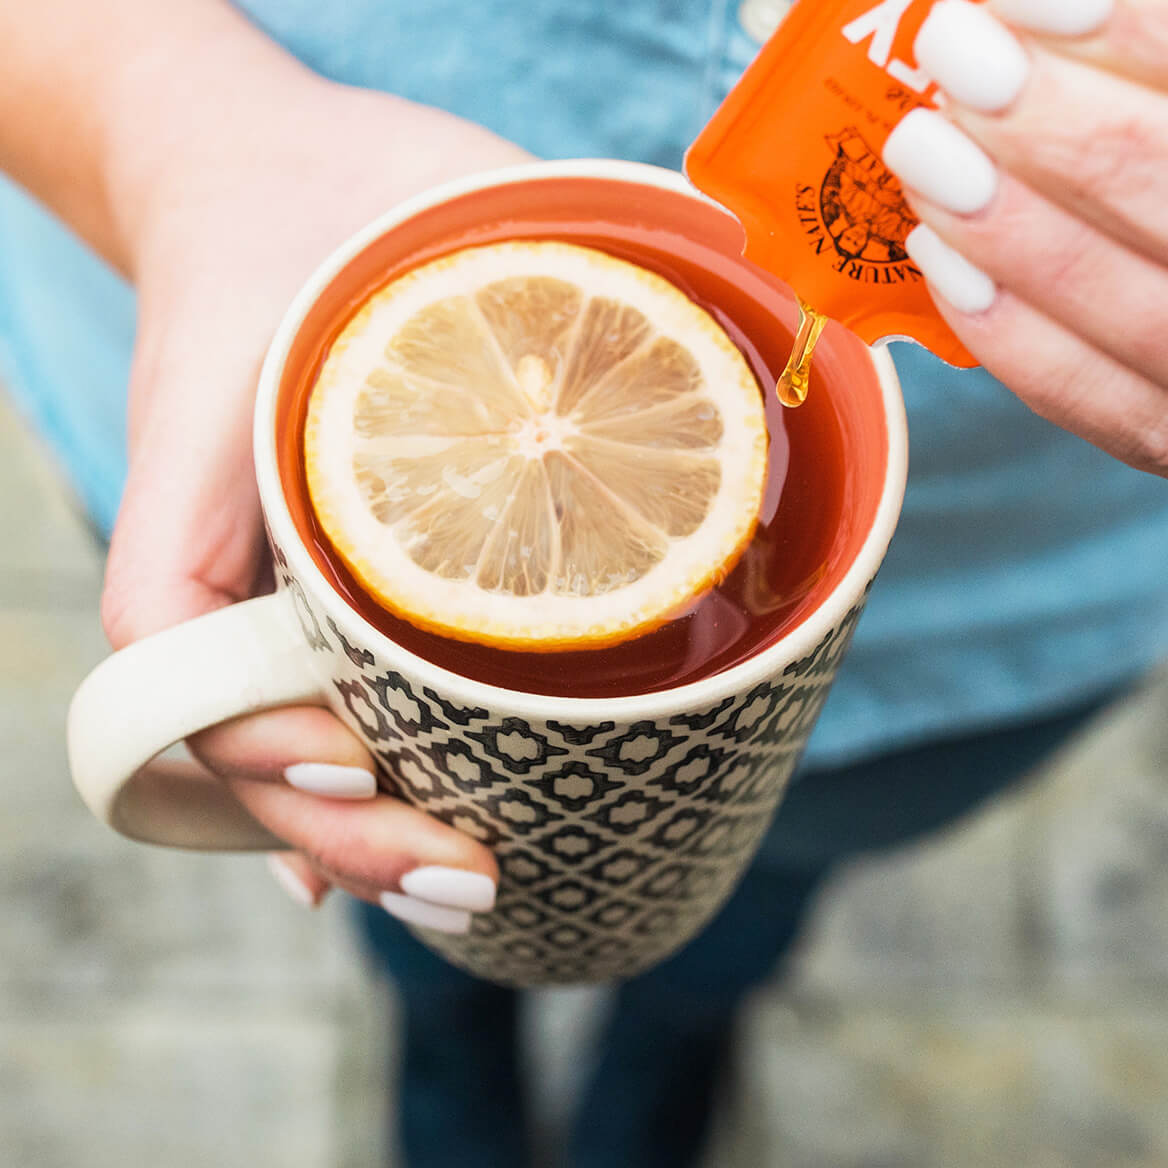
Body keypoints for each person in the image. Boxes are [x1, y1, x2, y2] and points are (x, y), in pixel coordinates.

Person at [3, 0, 1166, 1163]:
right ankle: (450, 1026)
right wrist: (154, 115)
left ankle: (676, 1026)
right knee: (422, 879)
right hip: (240, 299)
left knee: (747, 908)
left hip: (1014, 571)